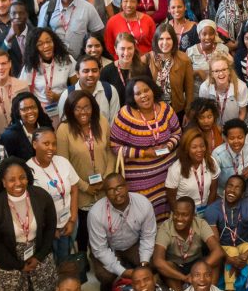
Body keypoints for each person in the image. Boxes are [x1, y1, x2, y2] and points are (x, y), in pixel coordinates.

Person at [0, 158, 58, 291]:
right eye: (12, 179)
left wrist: (39, 256)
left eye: (22, 177)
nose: (18, 183)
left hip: (40, 254)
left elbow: (51, 227)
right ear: (3, 182)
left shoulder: (41, 196)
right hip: (10, 261)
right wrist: (19, 265)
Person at [109, 76, 183, 218]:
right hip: (140, 181)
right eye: (138, 93)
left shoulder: (166, 109)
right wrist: (143, 153)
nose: (143, 95)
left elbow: (177, 132)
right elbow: (114, 145)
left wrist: (169, 145)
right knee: (144, 214)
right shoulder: (125, 115)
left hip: (167, 175)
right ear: (132, 97)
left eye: (146, 90)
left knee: (166, 210)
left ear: (153, 90)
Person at [85, 173, 156, 291]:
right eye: (111, 190)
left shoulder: (143, 203)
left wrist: (144, 262)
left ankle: (131, 267)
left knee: (152, 264)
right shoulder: (95, 213)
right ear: (105, 193)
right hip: (108, 247)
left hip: (132, 244)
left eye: (119, 187)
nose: (116, 193)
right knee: (106, 276)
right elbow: (100, 250)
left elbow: (148, 236)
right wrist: (122, 272)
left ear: (127, 186)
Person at [56, 90, 115, 252]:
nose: (83, 112)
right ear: (70, 109)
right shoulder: (64, 129)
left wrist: (107, 179)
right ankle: (84, 259)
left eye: (87, 107)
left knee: (106, 229)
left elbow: (110, 152)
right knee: (84, 234)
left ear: (93, 107)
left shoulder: (101, 121)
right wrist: (85, 187)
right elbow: (63, 165)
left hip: (104, 189)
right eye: (78, 108)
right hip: (80, 193)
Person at [26, 128, 80, 261]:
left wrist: (72, 220)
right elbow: (31, 206)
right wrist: (50, 228)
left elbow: (74, 189)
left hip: (69, 221)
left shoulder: (62, 162)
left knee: (66, 259)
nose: (51, 148)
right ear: (34, 144)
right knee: (52, 261)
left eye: (54, 144)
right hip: (46, 228)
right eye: (46, 143)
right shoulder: (28, 170)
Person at [153, 197, 224, 291]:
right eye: (176, 214)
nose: (179, 218)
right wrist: (184, 278)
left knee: (216, 261)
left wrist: (198, 270)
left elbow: (218, 251)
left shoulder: (200, 224)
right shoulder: (166, 227)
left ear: (193, 215)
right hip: (176, 266)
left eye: (184, 215)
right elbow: (157, 261)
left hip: (196, 262)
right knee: (165, 267)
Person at [147, 24, 195, 118]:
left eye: (168, 38)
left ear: (174, 40)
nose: (165, 42)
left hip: (177, 111)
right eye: (161, 39)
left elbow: (189, 90)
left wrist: (188, 112)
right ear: (156, 40)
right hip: (153, 112)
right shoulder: (148, 58)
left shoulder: (184, 59)